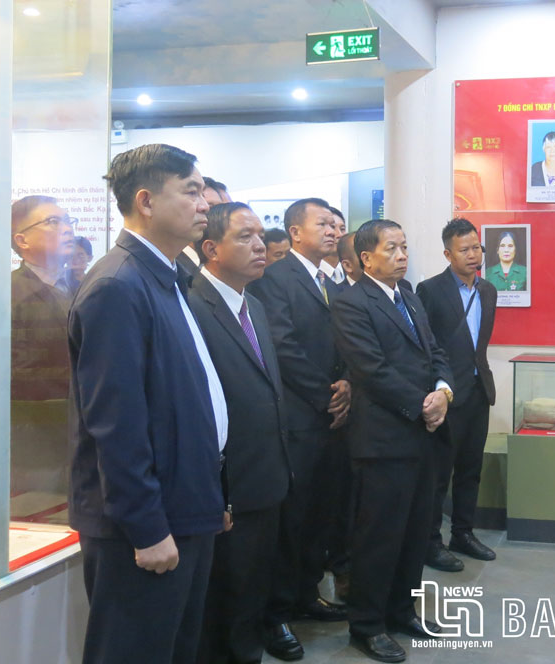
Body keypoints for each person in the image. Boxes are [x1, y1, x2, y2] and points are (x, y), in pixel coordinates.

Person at [68, 143, 228, 664]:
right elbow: (115, 425)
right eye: (192, 191)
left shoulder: (167, 276)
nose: (206, 203)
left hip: (185, 506)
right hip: (147, 526)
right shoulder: (118, 286)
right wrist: (147, 527)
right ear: (146, 201)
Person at [331, 220, 454, 663]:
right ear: (366, 258)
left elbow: (437, 353)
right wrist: (422, 404)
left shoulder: (411, 298)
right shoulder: (350, 304)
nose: (402, 255)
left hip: (423, 437)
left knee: (415, 532)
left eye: (404, 246)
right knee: (378, 537)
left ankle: (402, 609)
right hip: (382, 441)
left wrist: (444, 391)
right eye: (392, 248)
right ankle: (367, 624)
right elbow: (371, 370)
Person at [247, 197, 350, 661]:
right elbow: (283, 347)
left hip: (333, 418)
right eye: (321, 224)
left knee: (321, 516)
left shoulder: (331, 280)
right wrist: (326, 394)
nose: (331, 231)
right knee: (291, 520)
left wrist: (348, 381)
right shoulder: (276, 278)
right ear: (294, 233)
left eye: (333, 224)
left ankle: (308, 595)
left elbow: (345, 341)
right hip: (299, 419)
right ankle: (276, 614)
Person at [188, 202, 292, 664]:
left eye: (260, 236)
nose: (260, 246)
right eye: (245, 237)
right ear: (211, 248)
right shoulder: (192, 307)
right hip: (225, 488)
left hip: (265, 479)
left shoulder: (256, 306)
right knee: (222, 605)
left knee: (251, 593)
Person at [417, 218, 498, 574]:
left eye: (476, 247)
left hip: (479, 391)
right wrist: (439, 388)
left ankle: (463, 533)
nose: (472, 254)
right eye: (464, 250)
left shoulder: (488, 290)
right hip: (448, 395)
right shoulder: (430, 290)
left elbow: (478, 344)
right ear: (447, 253)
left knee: (471, 470)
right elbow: (426, 345)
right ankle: (431, 542)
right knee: (438, 475)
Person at [10, 196, 77, 499]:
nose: (67, 229)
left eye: (67, 221)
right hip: (33, 447)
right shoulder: (7, 294)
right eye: (53, 222)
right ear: (21, 240)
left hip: (81, 439)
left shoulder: (85, 288)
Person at [319, 205, 348, 284]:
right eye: (332, 227)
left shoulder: (353, 271)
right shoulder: (313, 274)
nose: (339, 235)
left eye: (342, 229)